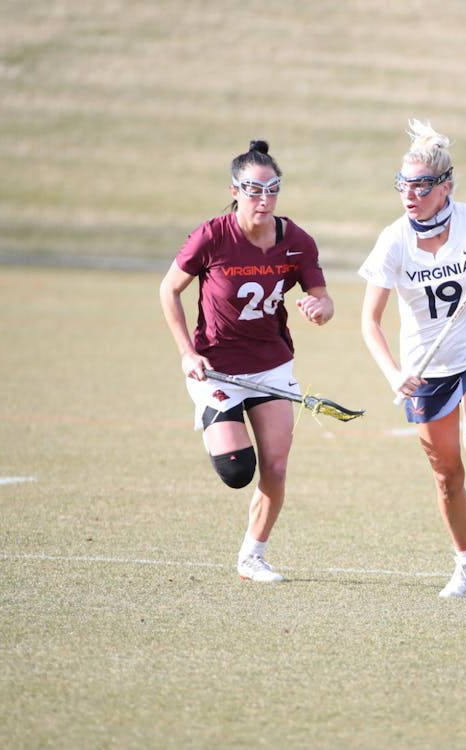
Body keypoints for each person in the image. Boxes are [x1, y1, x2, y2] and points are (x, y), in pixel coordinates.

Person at [359, 120, 466, 598]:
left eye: (420, 186)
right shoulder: (394, 239)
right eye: (403, 185)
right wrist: (395, 375)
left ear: (445, 186)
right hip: (425, 366)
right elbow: (369, 321)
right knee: (446, 475)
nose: (409, 194)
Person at [159, 139, 334, 583]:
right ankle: (214, 414)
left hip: (271, 365)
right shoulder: (212, 235)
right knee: (238, 471)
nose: (263, 199)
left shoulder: (296, 241)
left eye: (272, 189)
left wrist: (319, 309)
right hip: (216, 366)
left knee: (275, 465)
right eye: (253, 190)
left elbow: (323, 298)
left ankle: (252, 556)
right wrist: (186, 352)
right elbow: (169, 290)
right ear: (235, 190)